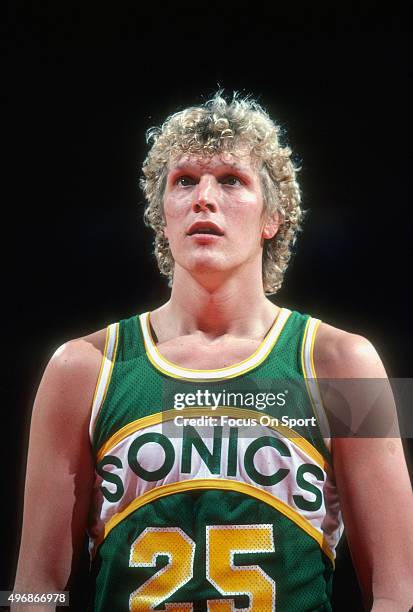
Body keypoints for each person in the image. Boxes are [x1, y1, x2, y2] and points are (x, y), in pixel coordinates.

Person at [13, 92, 413, 611]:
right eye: (184, 181)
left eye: (231, 180)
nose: (204, 197)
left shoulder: (348, 362)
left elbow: (399, 587)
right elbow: (34, 587)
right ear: (162, 215)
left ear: (273, 217)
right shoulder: (79, 368)